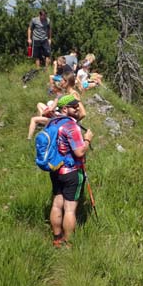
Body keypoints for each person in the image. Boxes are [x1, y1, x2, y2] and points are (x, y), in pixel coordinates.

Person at [49, 94, 93, 247]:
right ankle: (68, 243)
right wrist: (87, 139)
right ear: (65, 108)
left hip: (55, 170)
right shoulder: (71, 126)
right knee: (69, 209)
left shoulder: (52, 122)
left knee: (56, 204)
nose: (77, 108)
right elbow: (79, 152)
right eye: (73, 106)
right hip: (71, 171)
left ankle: (57, 238)